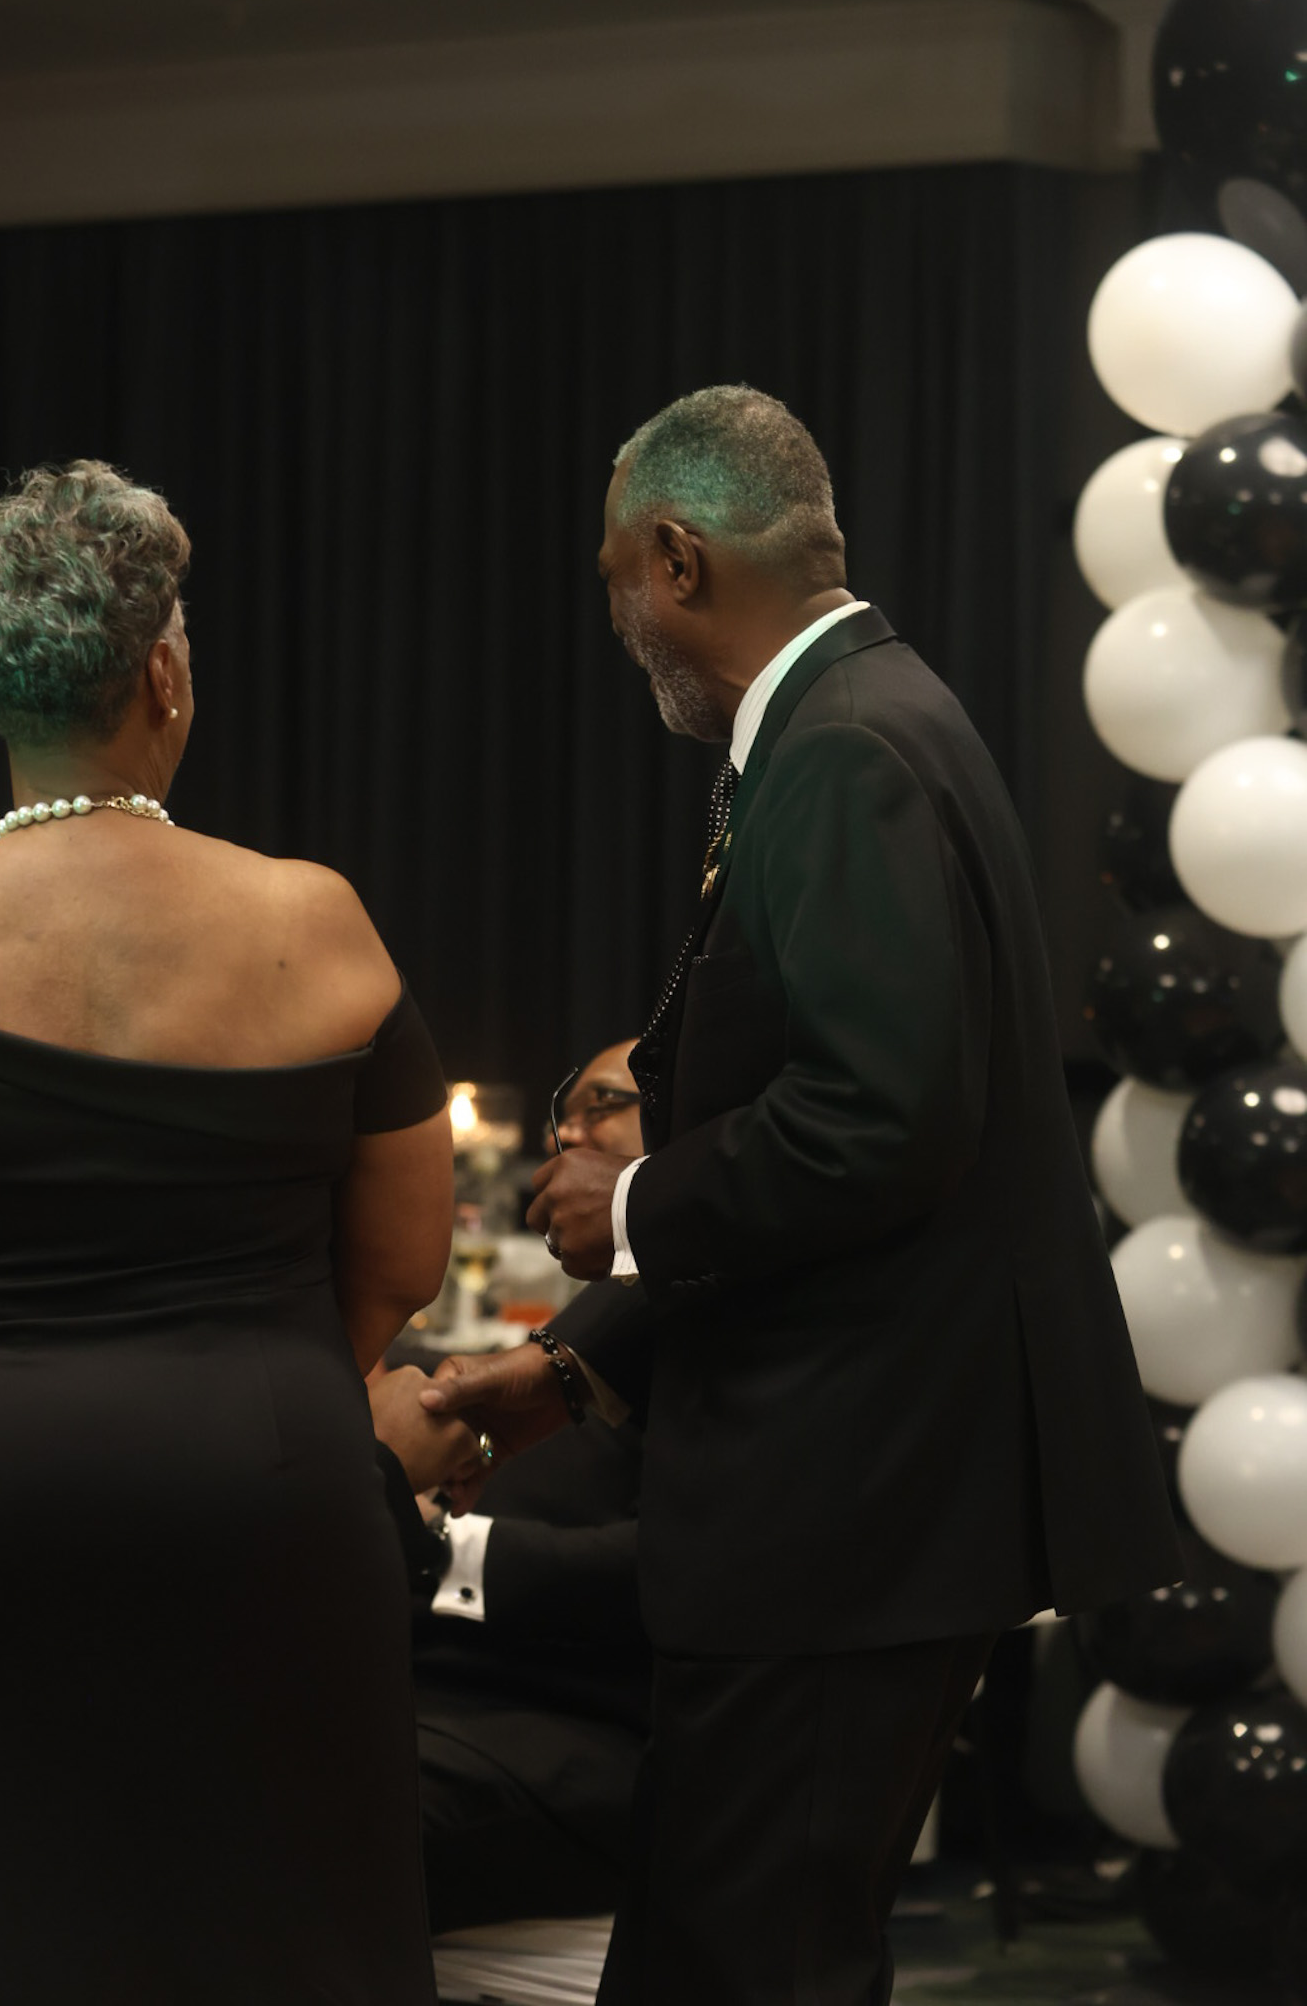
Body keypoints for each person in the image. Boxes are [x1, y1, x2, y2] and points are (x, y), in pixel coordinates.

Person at [420, 387, 1183, 2006]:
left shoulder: (842, 748)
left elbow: (875, 1121)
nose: (618, 622)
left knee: (740, 1970)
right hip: (860, 1505)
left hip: (849, 1511)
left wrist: (635, 1201)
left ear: (678, 558)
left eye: (616, 578)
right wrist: (575, 1363)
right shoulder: (867, 713)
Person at [0, 460, 475, 2005]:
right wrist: (258, 1374)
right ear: (165, 675)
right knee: (282, 1927)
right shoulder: (313, 919)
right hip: (267, 1495)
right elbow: (406, 1262)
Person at [368, 1043, 650, 1935]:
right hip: (413, 1688)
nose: (569, 1133)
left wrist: (434, 1553)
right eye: (563, 1112)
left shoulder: (717, 1341)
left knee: (295, 1811)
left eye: (604, 1102)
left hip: (574, 1723)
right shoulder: (545, 1346)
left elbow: (685, 1563)